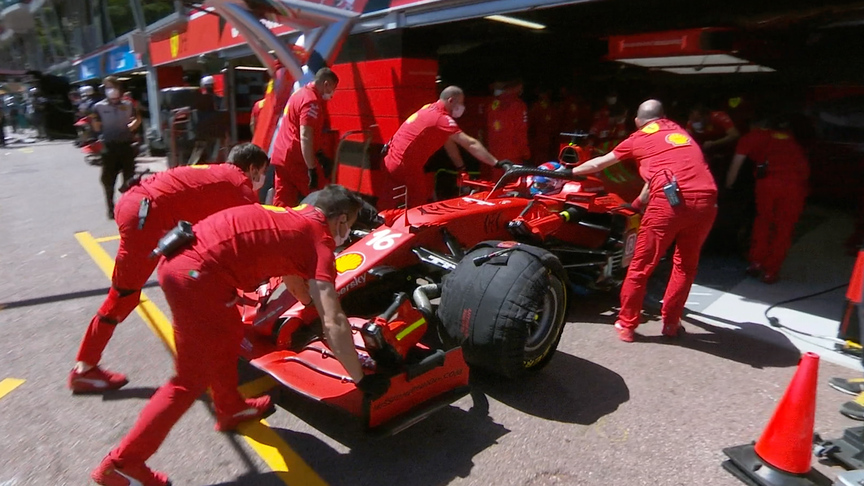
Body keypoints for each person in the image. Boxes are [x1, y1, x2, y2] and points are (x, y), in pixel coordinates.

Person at [90, 185, 389, 486]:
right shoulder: (320, 241)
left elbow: (295, 281)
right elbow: (334, 321)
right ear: (339, 221)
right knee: (188, 381)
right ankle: (122, 462)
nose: (346, 233)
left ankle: (230, 407)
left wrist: (311, 309)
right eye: (349, 226)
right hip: (197, 279)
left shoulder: (292, 218)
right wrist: (361, 380)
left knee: (229, 331)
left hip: (183, 262)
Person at [68, 143, 270, 394]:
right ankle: (84, 369)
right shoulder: (240, 187)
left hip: (139, 206)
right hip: (146, 217)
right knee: (124, 297)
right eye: (262, 172)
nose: (261, 179)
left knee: (193, 280)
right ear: (252, 169)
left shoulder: (217, 172)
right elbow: (255, 239)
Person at [570, 99, 718, 342]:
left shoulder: (639, 137)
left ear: (637, 121)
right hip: (706, 201)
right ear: (664, 116)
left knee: (641, 265)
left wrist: (567, 171)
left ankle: (627, 325)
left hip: (671, 203)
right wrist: (638, 205)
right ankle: (671, 323)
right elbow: (658, 174)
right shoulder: (680, 132)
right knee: (685, 265)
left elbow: (600, 163)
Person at [383, 85, 501, 209]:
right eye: (460, 103)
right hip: (405, 166)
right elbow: (470, 143)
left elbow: (448, 143)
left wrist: (461, 167)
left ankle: (380, 224)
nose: (462, 107)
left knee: (388, 204)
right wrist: (497, 163)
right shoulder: (442, 119)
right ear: (451, 100)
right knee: (416, 205)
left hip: (390, 158)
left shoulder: (428, 107)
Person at [726, 117, 809, 283]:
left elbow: (736, 165)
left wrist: (727, 187)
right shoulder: (788, 139)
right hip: (796, 186)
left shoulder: (752, 137)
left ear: (754, 125)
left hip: (769, 184)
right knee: (784, 227)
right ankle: (771, 271)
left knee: (763, 222)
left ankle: (756, 262)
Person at [269, 67, 338, 207]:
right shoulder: (311, 102)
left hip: (281, 156)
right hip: (297, 159)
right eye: (333, 89)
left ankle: (279, 226)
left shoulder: (298, 94)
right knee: (321, 198)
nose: (332, 94)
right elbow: (305, 136)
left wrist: (318, 151)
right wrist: (312, 168)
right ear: (326, 84)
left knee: (283, 199)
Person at [91, 76, 142, 219]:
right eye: (108, 87)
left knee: (129, 180)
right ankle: (110, 208)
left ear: (120, 89)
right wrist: (95, 121)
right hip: (109, 147)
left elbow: (137, 120)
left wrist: (130, 128)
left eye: (114, 87)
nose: (112, 90)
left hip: (126, 146)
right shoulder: (98, 107)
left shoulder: (128, 105)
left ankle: (129, 207)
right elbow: (96, 126)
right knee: (108, 180)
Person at [483, 80, 530, 180]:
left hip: (494, 154)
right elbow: (521, 131)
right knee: (511, 186)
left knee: (497, 185)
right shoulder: (518, 105)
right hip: (513, 154)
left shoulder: (492, 104)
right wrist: (525, 154)